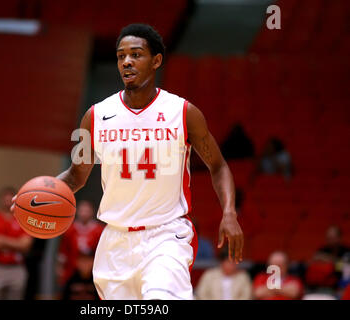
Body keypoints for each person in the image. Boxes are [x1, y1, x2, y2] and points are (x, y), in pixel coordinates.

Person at [12, 23, 244, 300]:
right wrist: (35, 198)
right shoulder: (96, 116)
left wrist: (229, 213)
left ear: (156, 60)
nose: (127, 62)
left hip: (166, 235)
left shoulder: (183, 113)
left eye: (136, 54)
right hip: (115, 242)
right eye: (121, 56)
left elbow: (218, 166)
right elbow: (76, 175)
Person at [0, 187, 32, 300]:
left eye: (11, 198)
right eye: (5, 198)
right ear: (1, 200)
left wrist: (0, 240)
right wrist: (16, 243)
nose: (8, 201)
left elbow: (25, 246)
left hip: (17, 268)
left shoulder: (23, 219)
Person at [57, 200, 104, 287]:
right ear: (77, 212)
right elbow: (63, 251)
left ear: (92, 212)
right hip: (72, 268)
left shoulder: (99, 230)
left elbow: (103, 252)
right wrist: (60, 268)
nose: (84, 214)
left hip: (94, 269)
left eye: (87, 211)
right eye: (82, 211)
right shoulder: (70, 229)